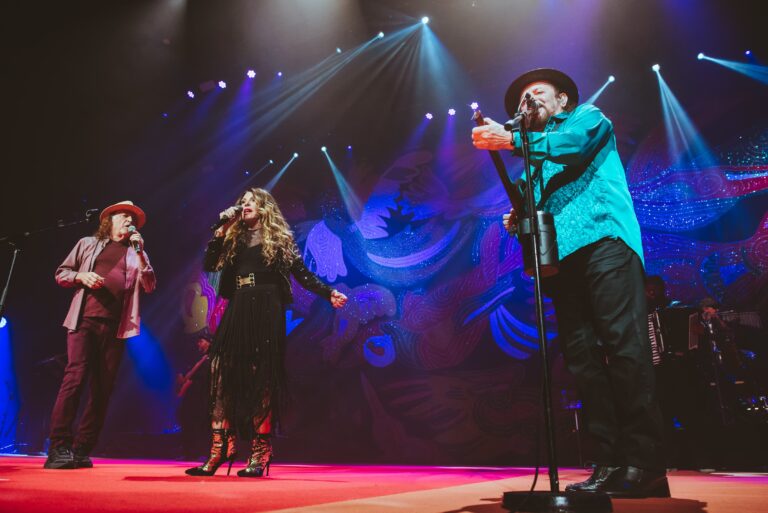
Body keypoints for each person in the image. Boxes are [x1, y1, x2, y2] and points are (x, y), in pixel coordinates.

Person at [472, 69, 668, 498]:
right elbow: (530, 203)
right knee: (582, 361)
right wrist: (518, 216)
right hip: (560, 262)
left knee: (624, 348)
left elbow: (575, 148)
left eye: (538, 92)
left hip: (605, 243)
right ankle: (608, 461)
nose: (529, 99)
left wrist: (511, 140)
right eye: (522, 98)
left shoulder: (586, 118)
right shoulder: (532, 163)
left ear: (561, 100)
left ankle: (645, 462)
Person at [185, 187, 347, 478]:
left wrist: (328, 292)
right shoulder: (233, 238)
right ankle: (220, 448)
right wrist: (220, 233)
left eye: (251, 201)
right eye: (243, 201)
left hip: (266, 306)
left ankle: (260, 451)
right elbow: (210, 265)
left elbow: (302, 274)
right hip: (239, 304)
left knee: (261, 377)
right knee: (221, 371)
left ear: (264, 208)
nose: (244, 205)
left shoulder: (279, 239)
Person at [44, 201, 156, 469]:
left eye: (132, 218)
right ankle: (59, 447)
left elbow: (150, 284)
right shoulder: (87, 244)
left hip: (116, 327)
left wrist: (141, 253)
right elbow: (61, 274)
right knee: (75, 378)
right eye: (124, 215)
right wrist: (82, 276)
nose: (129, 220)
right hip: (84, 320)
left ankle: (82, 448)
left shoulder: (136, 252)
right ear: (110, 220)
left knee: (103, 388)